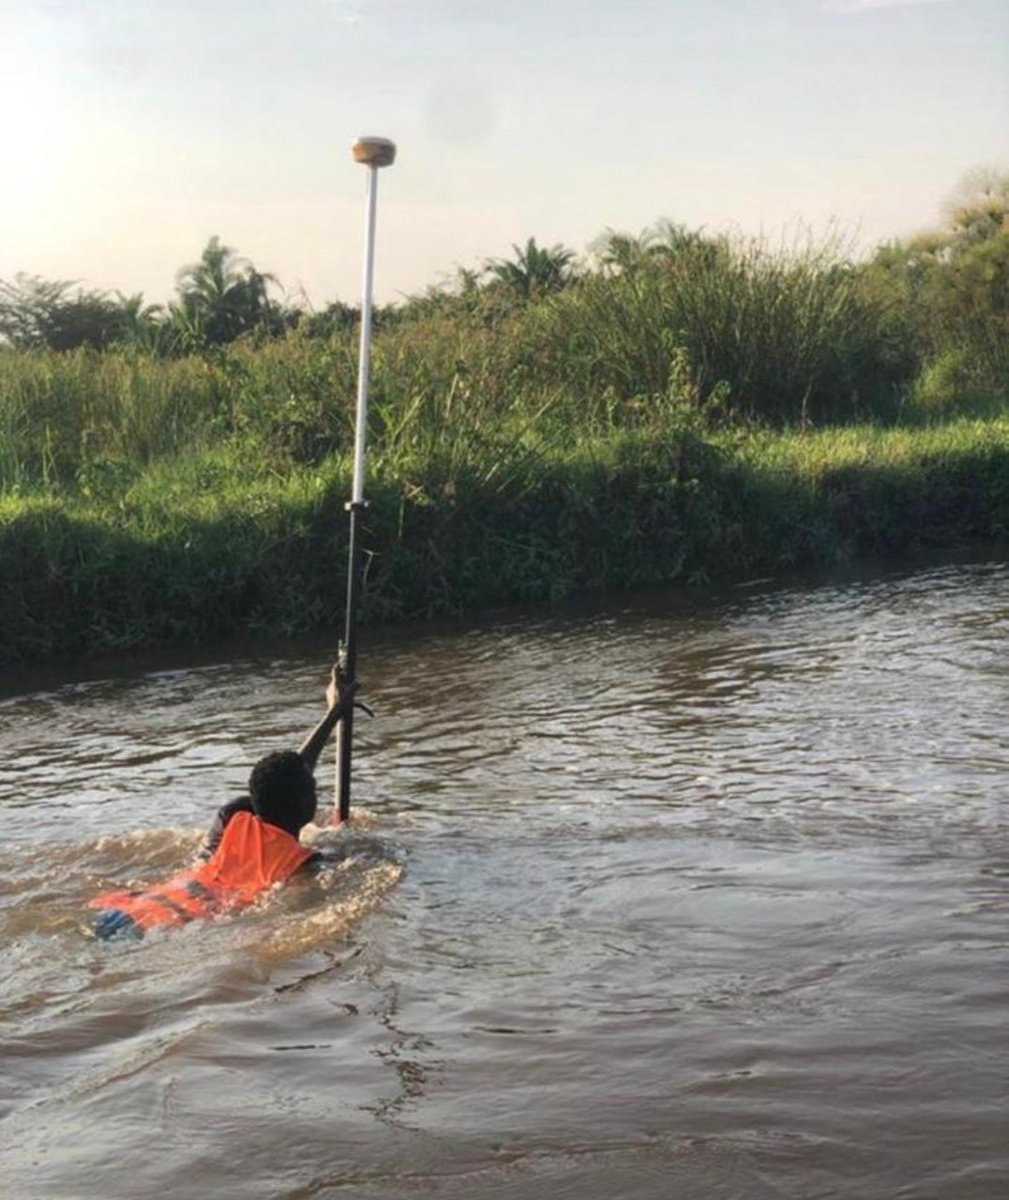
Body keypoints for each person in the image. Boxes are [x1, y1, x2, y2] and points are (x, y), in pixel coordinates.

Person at [89, 667, 358, 941]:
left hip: (126, 909)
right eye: (313, 790)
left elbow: (289, 776)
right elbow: (293, 777)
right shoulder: (302, 866)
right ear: (304, 803)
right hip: (163, 931)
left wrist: (333, 715)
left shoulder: (232, 818)